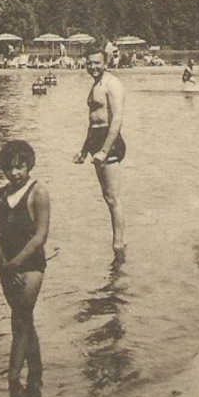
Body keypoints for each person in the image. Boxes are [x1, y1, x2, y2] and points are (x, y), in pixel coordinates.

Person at [0, 139, 50, 397]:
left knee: (20, 320)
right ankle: (36, 372)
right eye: (9, 168)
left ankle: (13, 380)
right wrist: (4, 263)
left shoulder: (39, 193)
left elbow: (40, 237)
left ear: (29, 166)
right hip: (6, 266)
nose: (14, 173)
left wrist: (15, 264)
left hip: (30, 267)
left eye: (20, 167)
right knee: (25, 319)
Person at [74, 50, 126, 264]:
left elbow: (116, 120)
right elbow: (93, 121)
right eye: (89, 63)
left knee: (113, 197)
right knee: (107, 196)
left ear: (105, 62)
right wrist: (84, 150)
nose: (93, 67)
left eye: (97, 63)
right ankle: (118, 245)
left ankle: (119, 246)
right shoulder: (95, 84)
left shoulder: (112, 84)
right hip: (97, 139)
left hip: (109, 141)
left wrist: (104, 150)